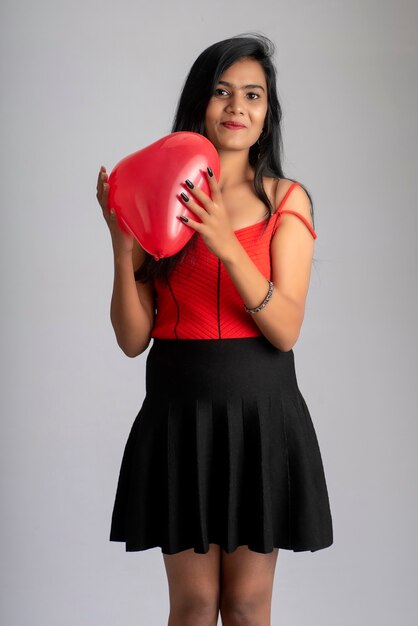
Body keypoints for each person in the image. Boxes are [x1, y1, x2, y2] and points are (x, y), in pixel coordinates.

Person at [96, 33, 333, 626]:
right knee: (195, 605)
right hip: (179, 410)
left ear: (266, 114)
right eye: (222, 91)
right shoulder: (161, 198)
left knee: (248, 606)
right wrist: (123, 246)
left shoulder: (287, 201)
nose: (237, 106)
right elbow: (131, 340)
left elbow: (285, 330)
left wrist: (228, 246)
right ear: (200, 104)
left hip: (260, 412)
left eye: (253, 95)